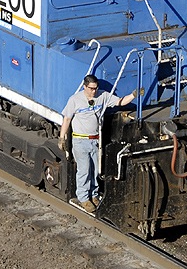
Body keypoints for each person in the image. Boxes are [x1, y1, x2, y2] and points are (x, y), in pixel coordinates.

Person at [58, 74, 137, 214]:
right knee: (84, 170)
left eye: (95, 88)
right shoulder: (74, 100)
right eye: (91, 88)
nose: (93, 91)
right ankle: (83, 198)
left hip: (95, 140)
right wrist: (61, 137)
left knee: (95, 170)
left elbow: (120, 102)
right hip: (80, 140)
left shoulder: (103, 96)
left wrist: (133, 95)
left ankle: (94, 195)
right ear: (85, 87)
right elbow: (67, 119)